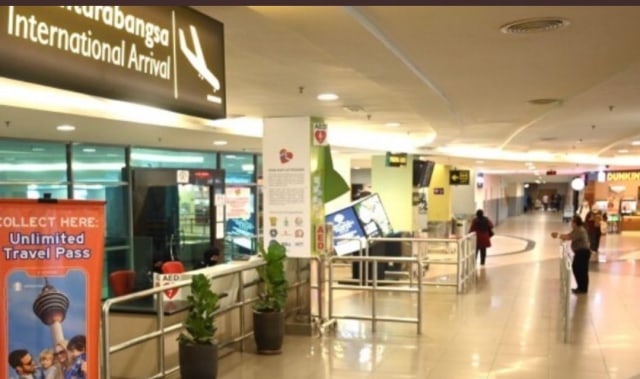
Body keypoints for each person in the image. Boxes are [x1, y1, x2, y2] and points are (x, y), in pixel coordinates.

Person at [551, 215, 591, 294]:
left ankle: (583, 288)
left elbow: (569, 237)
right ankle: (581, 287)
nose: (571, 223)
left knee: (579, 269)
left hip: (582, 252)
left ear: (575, 223)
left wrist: (558, 235)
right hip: (581, 252)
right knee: (580, 269)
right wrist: (561, 236)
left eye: (572, 222)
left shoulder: (579, 230)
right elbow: (568, 235)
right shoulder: (577, 229)